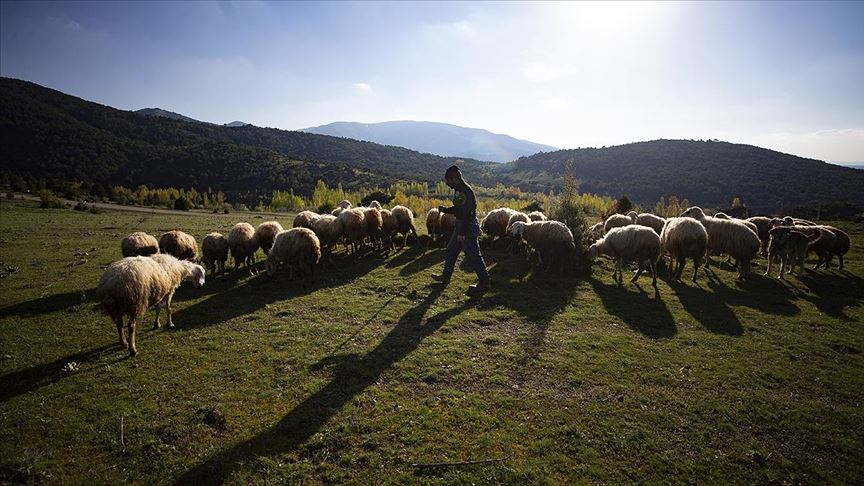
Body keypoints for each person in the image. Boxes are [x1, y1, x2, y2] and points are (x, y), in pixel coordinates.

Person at [431, 165, 491, 292]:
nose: (447, 183)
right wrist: (445, 210)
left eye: (448, 180)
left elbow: (467, 213)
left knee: (473, 254)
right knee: (451, 250)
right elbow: (459, 209)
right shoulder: (459, 189)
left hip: (467, 226)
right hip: (461, 224)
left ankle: (484, 281)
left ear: (455, 178)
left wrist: (462, 233)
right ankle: (445, 277)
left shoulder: (464, 191)